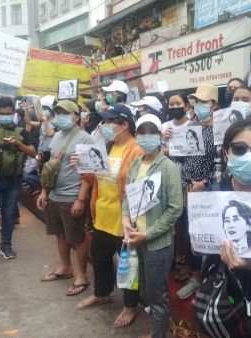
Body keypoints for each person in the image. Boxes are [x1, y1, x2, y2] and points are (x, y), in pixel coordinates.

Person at [196, 120, 251, 337]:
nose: (248, 156)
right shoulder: (211, 194)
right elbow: (197, 249)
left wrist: (247, 264)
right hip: (219, 288)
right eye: (239, 148)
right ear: (225, 153)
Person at [70, 104, 144, 327]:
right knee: (100, 257)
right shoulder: (108, 147)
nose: (105, 126)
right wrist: (82, 170)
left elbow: (140, 185)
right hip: (102, 215)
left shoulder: (137, 149)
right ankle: (102, 293)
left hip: (124, 219)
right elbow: (98, 181)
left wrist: (131, 218)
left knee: (128, 265)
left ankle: (130, 306)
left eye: (110, 122)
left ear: (125, 125)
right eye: (104, 121)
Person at [122, 114, 183, 338]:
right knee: (146, 287)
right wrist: (125, 218)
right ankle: (156, 330)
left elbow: (175, 209)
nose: (147, 136)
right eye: (142, 131)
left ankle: (158, 335)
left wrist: (148, 234)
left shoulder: (168, 168)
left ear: (160, 136)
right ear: (136, 135)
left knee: (158, 295)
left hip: (157, 242)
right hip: (135, 237)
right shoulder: (136, 163)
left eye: (152, 131)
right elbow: (128, 196)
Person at [37, 100, 94, 296]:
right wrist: (45, 192)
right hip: (54, 195)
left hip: (72, 196)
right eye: (58, 113)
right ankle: (65, 268)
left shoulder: (85, 139)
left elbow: (89, 172)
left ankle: (82, 275)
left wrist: (80, 199)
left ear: (76, 116)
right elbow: (50, 168)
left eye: (65, 113)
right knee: (59, 233)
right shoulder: (56, 136)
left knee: (77, 237)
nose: (60, 116)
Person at [176, 83, 217, 299]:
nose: (199, 105)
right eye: (197, 101)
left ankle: (210, 283)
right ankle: (195, 277)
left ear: (214, 104)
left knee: (208, 235)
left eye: (204, 101)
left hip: (208, 190)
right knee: (190, 232)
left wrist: (206, 183)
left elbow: (222, 164)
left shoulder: (221, 130)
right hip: (186, 188)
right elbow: (182, 157)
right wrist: (170, 143)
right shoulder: (191, 126)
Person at [0, 98, 37, 259]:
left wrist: (19, 144)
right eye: (1, 113)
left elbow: (33, 152)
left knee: (9, 213)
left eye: (8, 113)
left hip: (14, 180)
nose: (5, 116)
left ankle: (6, 246)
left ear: (13, 113)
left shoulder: (21, 132)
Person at [161, 91, 191, 159]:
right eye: (171, 104)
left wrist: (170, 151)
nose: (175, 107)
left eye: (178, 103)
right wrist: (165, 139)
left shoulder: (194, 126)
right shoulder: (164, 126)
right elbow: (160, 150)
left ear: (186, 106)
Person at [38, 96, 58, 167]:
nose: (44, 111)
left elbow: (48, 134)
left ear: (50, 110)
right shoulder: (43, 122)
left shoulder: (57, 121)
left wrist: (45, 121)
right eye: (42, 109)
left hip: (53, 150)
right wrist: (40, 151)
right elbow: (41, 136)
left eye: (45, 109)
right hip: (44, 150)